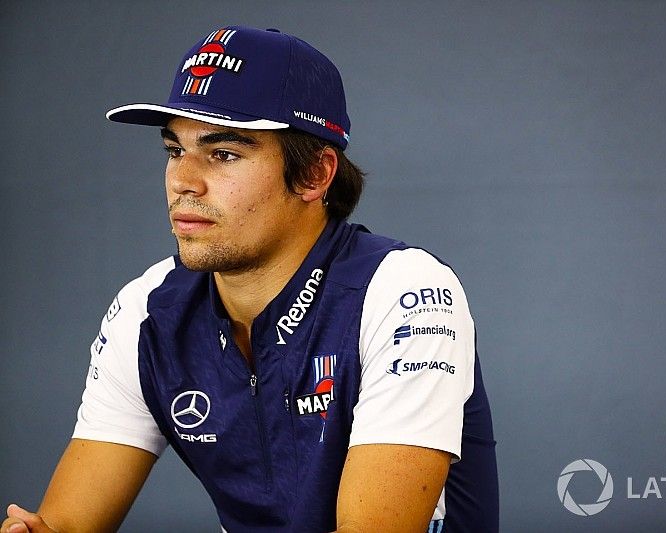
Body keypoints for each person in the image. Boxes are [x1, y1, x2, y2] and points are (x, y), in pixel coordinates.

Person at [2, 26, 498, 533]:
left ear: (315, 175)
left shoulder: (404, 292)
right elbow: (66, 523)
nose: (182, 181)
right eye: (175, 150)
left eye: (223, 154)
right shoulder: (147, 312)